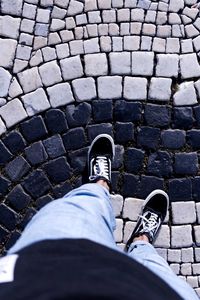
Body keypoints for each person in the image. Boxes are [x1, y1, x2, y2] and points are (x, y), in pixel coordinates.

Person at [0, 134, 198, 300]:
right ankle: (141, 242)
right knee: (155, 266)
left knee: (78, 212)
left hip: (40, 276)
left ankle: (98, 187)